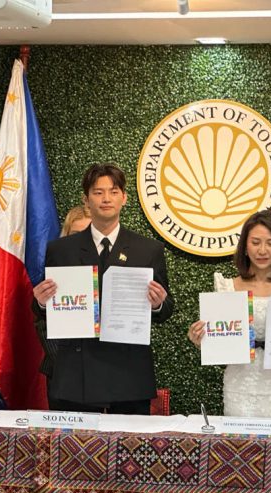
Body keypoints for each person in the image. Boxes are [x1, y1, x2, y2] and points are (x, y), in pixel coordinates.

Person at [33, 162, 174, 415]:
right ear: (87, 199)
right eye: (98, 192)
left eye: (113, 191)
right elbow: (44, 310)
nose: (106, 198)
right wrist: (41, 301)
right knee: (76, 442)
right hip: (76, 375)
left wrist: (158, 303)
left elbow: (166, 310)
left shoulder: (148, 250)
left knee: (129, 441)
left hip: (128, 374)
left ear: (124, 198)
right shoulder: (61, 250)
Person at [187, 211, 271, 418]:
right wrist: (202, 339)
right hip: (239, 387)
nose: (262, 250)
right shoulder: (227, 287)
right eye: (255, 242)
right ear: (245, 246)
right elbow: (220, 342)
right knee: (238, 439)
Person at [35, 205, 92, 406]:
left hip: (106, 371)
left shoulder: (110, 271)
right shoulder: (54, 273)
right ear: (65, 236)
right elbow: (42, 322)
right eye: (76, 235)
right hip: (62, 372)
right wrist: (66, 362)